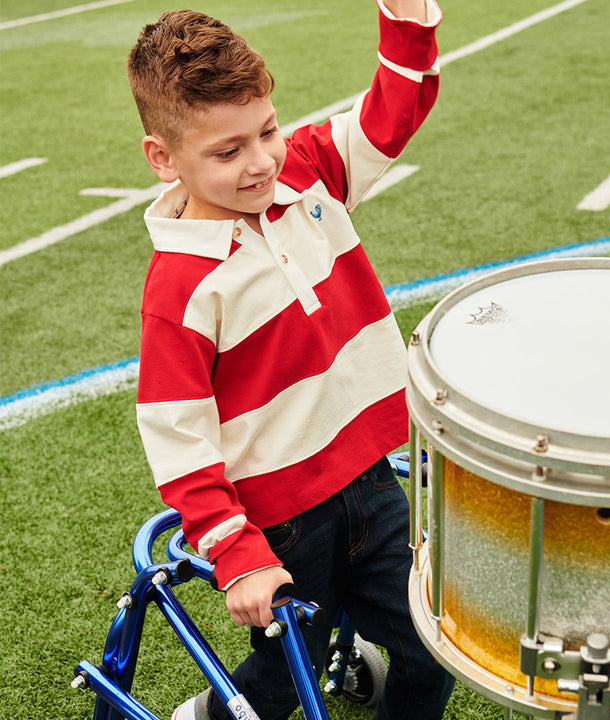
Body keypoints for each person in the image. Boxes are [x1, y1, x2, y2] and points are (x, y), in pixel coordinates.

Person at [127, 1, 454, 718]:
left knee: (437, 647)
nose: (261, 162)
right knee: (280, 687)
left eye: (266, 130)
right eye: (227, 151)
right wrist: (239, 552)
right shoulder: (180, 288)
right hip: (282, 522)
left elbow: (393, 110)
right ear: (163, 158)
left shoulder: (304, 171)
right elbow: (177, 437)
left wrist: (408, 18)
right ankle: (210, 712)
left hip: (370, 482)